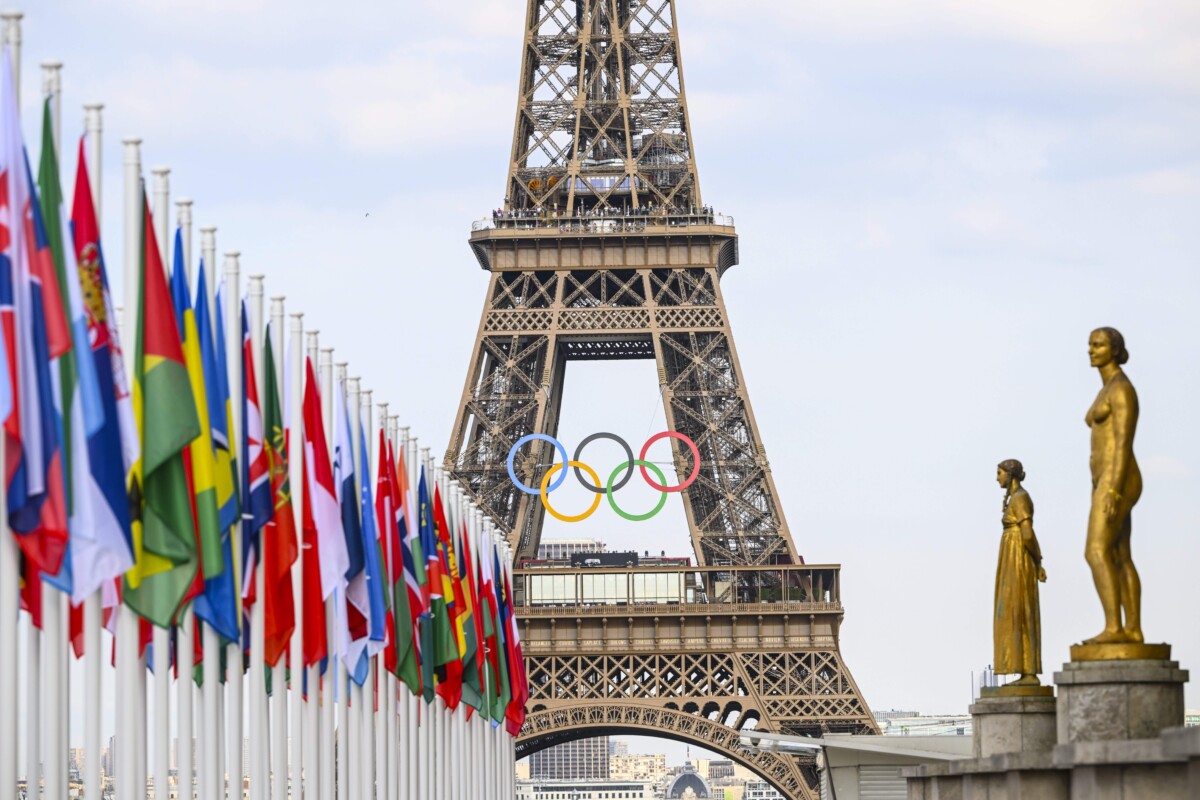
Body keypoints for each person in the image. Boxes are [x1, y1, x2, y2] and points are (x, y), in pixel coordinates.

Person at [1083, 327, 1143, 644]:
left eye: (1099, 345)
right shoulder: (1106, 388)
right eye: (1090, 345)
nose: (1092, 350)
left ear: (1114, 349)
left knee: (1095, 550)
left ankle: (1114, 628)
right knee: (1120, 554)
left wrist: (1113, 490)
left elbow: (1123, 444)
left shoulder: (1121, 390)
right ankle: (1132, 629)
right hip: (1105, 478)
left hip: (1117, 477)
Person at [993, 458, 1046, 685]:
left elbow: (1027, 534)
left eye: (999, 473)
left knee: (1021, 609)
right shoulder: (1015, 498)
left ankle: (1029, 671)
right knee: (1012, 610)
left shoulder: (1021, 498)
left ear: (1010, 474)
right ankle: (1023, 669)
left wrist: (1037, 561)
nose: (997, 478)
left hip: (1018, 559)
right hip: (1011, 556)